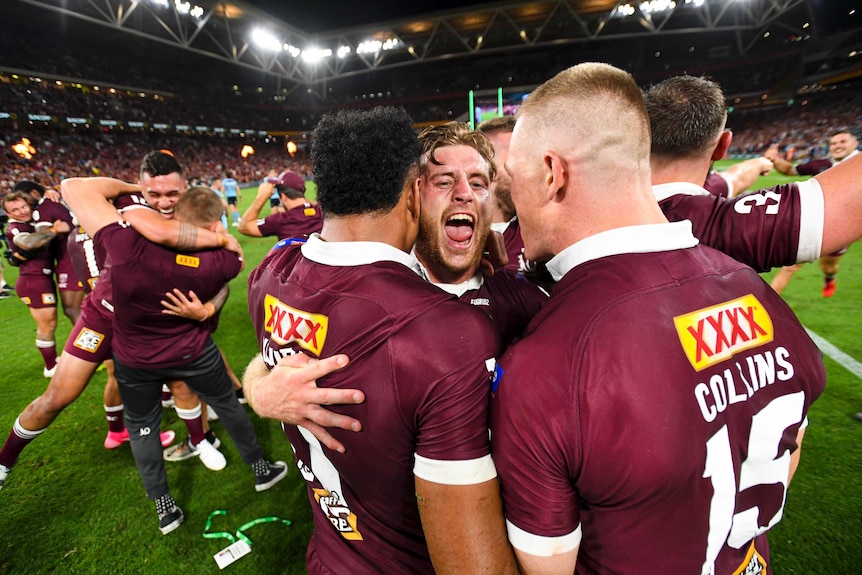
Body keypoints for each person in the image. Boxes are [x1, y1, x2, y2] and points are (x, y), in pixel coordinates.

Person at [489, 62, 826, 574]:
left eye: (515, 179)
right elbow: (790, 441)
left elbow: (547, 568)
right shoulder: (757, 294)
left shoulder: (551, 362)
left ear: (553, 174)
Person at [246, 106, 517, 574]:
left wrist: (260, 386)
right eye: (443, 181)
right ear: (413, 193)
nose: (463, 195)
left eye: (479, 183)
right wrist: (261, 390)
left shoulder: (274, 273)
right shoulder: (438, 330)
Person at [0, 152, 235, 493]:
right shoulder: (130, 203)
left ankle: (200, 440)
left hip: (156, 321)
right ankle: (5, 461)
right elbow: (72, 186)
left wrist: (209, 310)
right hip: (104, 316)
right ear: (142, 187)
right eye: (155, 193)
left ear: (184, 187)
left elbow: (221, 278)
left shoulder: (192, 214)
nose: (164, 202)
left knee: (181, 385)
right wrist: (135, 188)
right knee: (57, 397)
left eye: (172, 193)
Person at [63, 182, 287, 535]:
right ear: (214, 225)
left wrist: (131, 196)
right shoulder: (223, 261)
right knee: (227, 404)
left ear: (174, 219)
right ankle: (261, 469)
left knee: (142, 428)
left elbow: (73, 188)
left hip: (135, 358)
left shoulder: (125, 248)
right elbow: (236, 259)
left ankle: (165, 509)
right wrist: (218, 241)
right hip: (192, 351)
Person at [646, 75, 862, 275]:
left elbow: (736, 177)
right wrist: (762, 163)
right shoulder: (725, 225)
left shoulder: (618, 205)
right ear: (723, 145)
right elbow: (843, 203)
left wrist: (759, 163)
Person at [765, 130, 859, 297]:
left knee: (828, 266)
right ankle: (766, 305)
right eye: (834, 143)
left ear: (855, 144)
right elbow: (789, 170)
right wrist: (775, 159)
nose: (837, 146)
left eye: (843, 142)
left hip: (843, 229)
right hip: (815, 222)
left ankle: (830, 277)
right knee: (790, 266)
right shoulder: (821, 165)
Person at [2, 191, 65, 377]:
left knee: (51, 322)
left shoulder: (31, 223)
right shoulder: (15, 227)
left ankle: (52, 360)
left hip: (42, 278)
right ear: (8, 214)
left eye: (23, 206)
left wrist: (49, 190)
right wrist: (54, 230)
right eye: (15, 209)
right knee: (47, 324)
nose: (22, 211)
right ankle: (50, 366)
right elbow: (28, 242)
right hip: (32, 281)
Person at [15, 180, 84, 324]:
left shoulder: (43, 209)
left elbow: (41, 241)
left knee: (72, 308)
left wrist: (21, 254)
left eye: (24, 199)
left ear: (34, 193)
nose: (25, 206)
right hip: (78, 254)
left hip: (69, 260)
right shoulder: (52, 203)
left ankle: (96, 344)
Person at [237, 169, 322, 241]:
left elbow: (244, 226)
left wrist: (260, 198)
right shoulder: (321, 211)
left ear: (284, 197)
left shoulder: (280, 220)